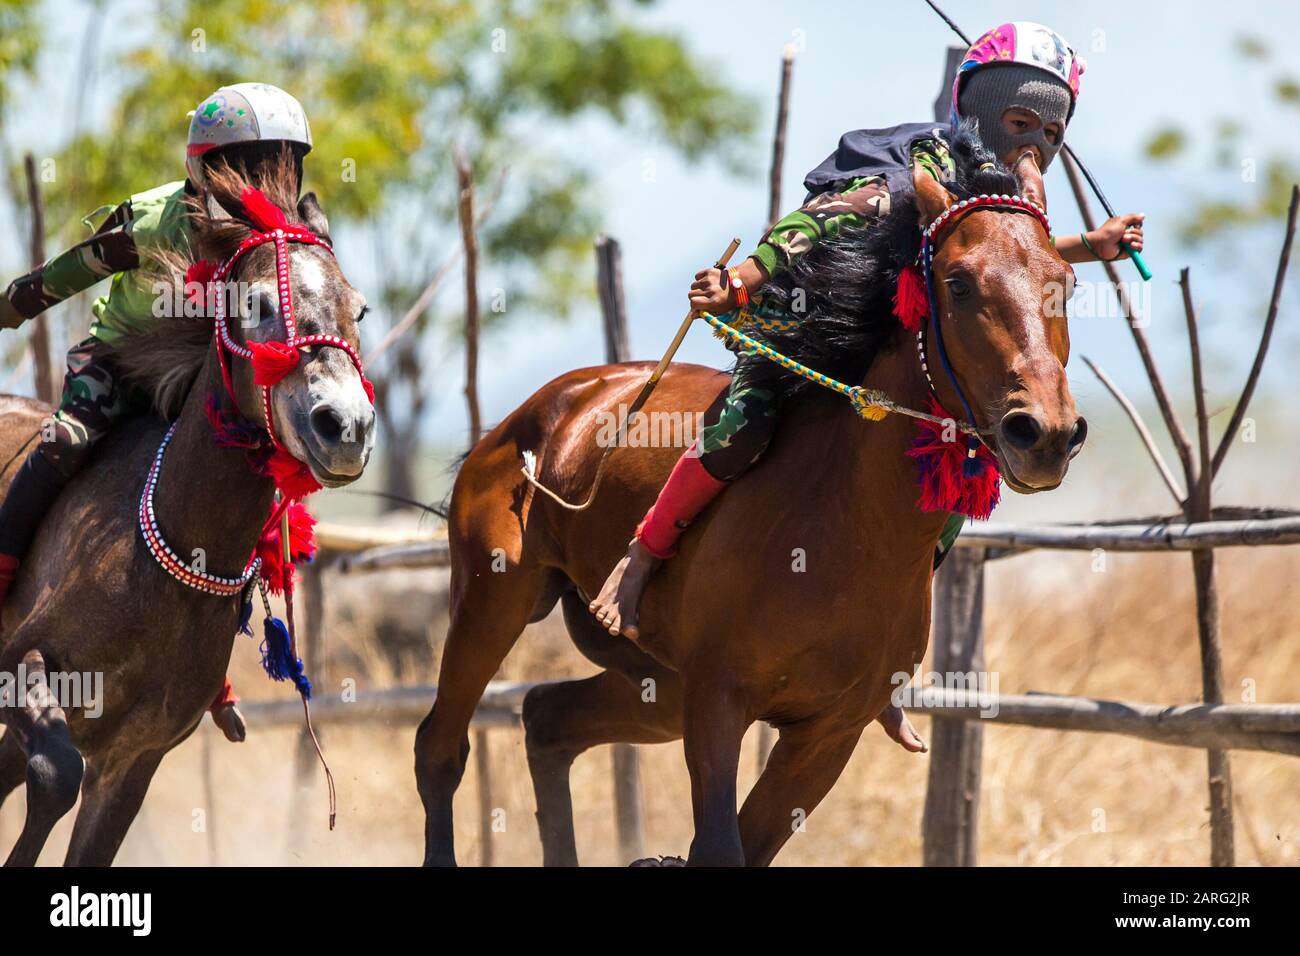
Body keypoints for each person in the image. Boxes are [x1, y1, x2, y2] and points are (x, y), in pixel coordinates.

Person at [590, 22, 1145, 643]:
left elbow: (1005, 267)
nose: (1035, 146)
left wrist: (1091, 248)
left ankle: (884, 653)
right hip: (829, 319)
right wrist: (741, 279)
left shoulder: (1015, 203)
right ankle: (642, 556)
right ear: (983, 111)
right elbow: (819, 219)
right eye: (1021, 124)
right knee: (744, 423)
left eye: (1051, 134)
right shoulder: (920, 168)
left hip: (910, 351)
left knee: (963, 472)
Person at [0, 83, 315, 743]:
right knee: (64, 442)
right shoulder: (150, 218)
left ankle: (204, 669)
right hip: (118, 368)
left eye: (276, 165)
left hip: (200, 385)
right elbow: (62, 277)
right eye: (247, 167)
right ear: (203, 168)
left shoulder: (282, 247)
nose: (261, 183)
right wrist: (9, 308)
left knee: (238, 490)